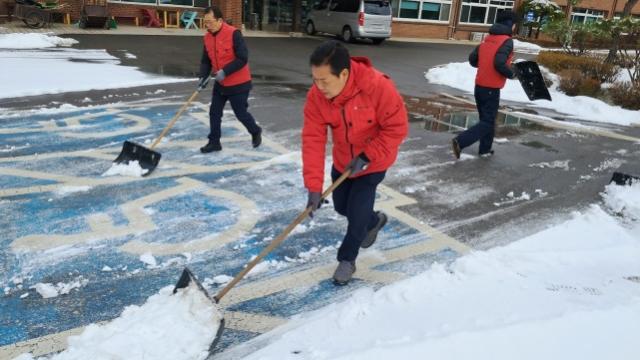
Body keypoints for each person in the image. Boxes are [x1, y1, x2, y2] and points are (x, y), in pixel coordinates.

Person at [302, 41, 408, 285]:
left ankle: (347, 260)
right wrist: (313, 186)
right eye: (315, 79)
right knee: (342, 207)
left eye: (324, 80)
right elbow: (313, 140)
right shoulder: (317, 97)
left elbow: (397, 128)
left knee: (357, 214)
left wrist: (368, 156)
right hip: (343, 162)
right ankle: (375, 221)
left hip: (373, 162)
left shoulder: (378, 87)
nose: (319, 87)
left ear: (344, 74)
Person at [451, 10, 518, 159]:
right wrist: (512, 73)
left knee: (486, 119)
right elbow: (499, 63)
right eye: (514, 25)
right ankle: (460, 141)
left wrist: (485, 64)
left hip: (479, 86)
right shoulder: (507, 41)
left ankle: (485, 149)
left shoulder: (488, 39)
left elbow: (473, 60)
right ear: (511, 25)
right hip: (491, 88)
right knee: (488, 121)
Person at [197, 5, 262, 153]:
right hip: (221, 84)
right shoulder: (207, 37)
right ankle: (214, 142)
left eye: (210, 22)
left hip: (239, 84)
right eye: (205, 22)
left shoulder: (233, 34)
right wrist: (202, 76)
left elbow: (243, 58)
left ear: (219, 20)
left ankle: (255, 131)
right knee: (214, 112)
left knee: (240, 113)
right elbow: (206, 60)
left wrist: (225, 71)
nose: (207, 25)